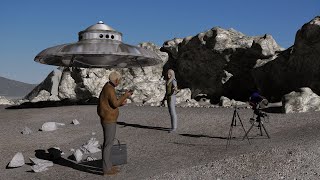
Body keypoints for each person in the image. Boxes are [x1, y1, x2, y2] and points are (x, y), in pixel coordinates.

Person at [97, 71, 132, 176]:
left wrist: (121, 103)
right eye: (119, 80)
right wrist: (125, 95)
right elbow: (115, 103)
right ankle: (106, 169)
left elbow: (111, 104)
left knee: (109, 143)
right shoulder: (109, 89)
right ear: (116, 80)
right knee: (108, 144)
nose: (119, 82)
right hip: (109, 120)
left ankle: (108, 165)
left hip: (108, 118)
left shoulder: (107, 87)